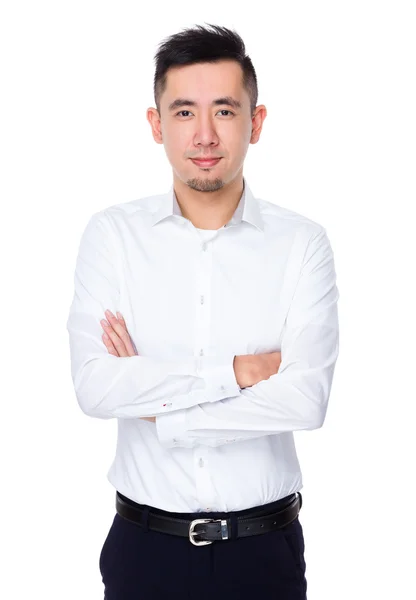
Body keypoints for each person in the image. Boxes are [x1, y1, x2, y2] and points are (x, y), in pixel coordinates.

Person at [66, 22, 339, 600]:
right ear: (156, 123)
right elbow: (95, 387)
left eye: (225, 110)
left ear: (255, 123)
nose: (206, 134)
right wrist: (236, 374)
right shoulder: (113, 236)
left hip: (264, 551)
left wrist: (157, 407)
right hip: (144, 549)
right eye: (185, 112)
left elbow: (304, 400)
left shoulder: (302, 244)